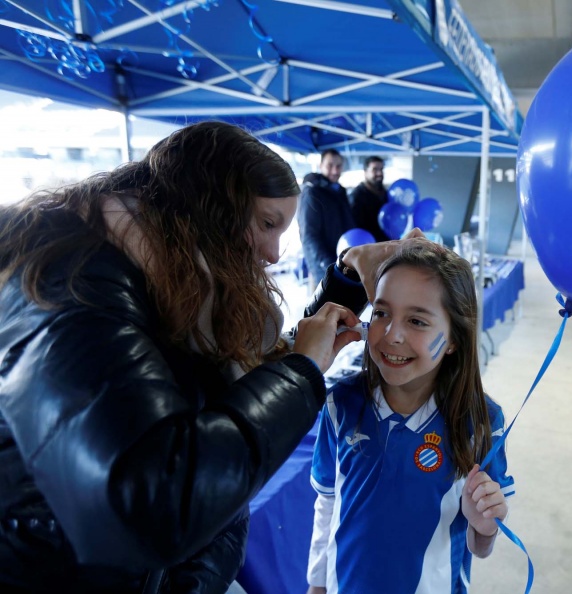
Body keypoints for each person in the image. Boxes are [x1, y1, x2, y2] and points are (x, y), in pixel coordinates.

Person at [0, 121, 416, 593]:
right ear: (211, 209)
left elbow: (238, 358)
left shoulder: (167, 271)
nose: (275, 254)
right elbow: (153, 503)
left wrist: (341, 283)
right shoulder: (73, 287)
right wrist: (302, 373)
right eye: (265, 224)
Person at [306, 242, 514, 593]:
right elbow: (327, 504)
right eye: (382, 313)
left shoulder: (480, 422)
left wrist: (486, 527)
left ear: (453, 339)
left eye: (417, 321)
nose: (392, 335)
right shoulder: (339, 404)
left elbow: (480, 548)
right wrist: (316, 584)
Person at [297, 149, 355, 288]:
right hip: (324, 268)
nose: (335, 171)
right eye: (330, 165)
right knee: (324, 308)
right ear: (320, 166)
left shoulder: (340, 191)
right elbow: (309, 235)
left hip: (342, 264)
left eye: (338, 166)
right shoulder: (312, 192)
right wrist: (328, 264)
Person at [349, 156, 390, 242]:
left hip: (387, 246)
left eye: (381, 169)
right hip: (368, 247)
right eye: (375, 170)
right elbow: (355, 227)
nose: (379, 173)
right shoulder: (357, 196)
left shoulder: (386, 194)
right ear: (365, 172)